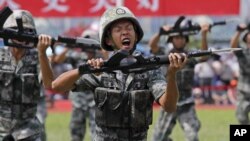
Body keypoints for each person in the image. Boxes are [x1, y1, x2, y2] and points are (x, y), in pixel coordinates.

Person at [40, 6, 188, 141]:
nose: (125, 32)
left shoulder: (149, 69)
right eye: (118, 29)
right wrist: (84, 69)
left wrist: (172, 74)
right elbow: (53, 85)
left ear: (136, 35)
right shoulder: (100, 70)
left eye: (129, 28)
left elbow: (169, 106)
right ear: (108, 40)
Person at [149, 16, 210, 141]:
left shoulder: (190, 55)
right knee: (158, 138)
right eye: (176, 37)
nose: (179, 40)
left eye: (182, 37)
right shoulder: (165, 55)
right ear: (172, 39)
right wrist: (160, 33)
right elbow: (153, 46)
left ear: (186, 40)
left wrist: (204, 34)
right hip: (169, 101)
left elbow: (204, 56)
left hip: (186, 102)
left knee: (192, 136)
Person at [0, 9, 52, 141]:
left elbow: (49, 83)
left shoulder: (38, 57)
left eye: (26, 31)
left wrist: (42, 53)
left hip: (28, 129)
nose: (21, 36)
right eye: (15, 31)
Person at [230, 23, 250, 124]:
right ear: (246, 38)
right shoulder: (242, 52)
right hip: (244, 91)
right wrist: (238, 31)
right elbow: (233, 46)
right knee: (241, 117)